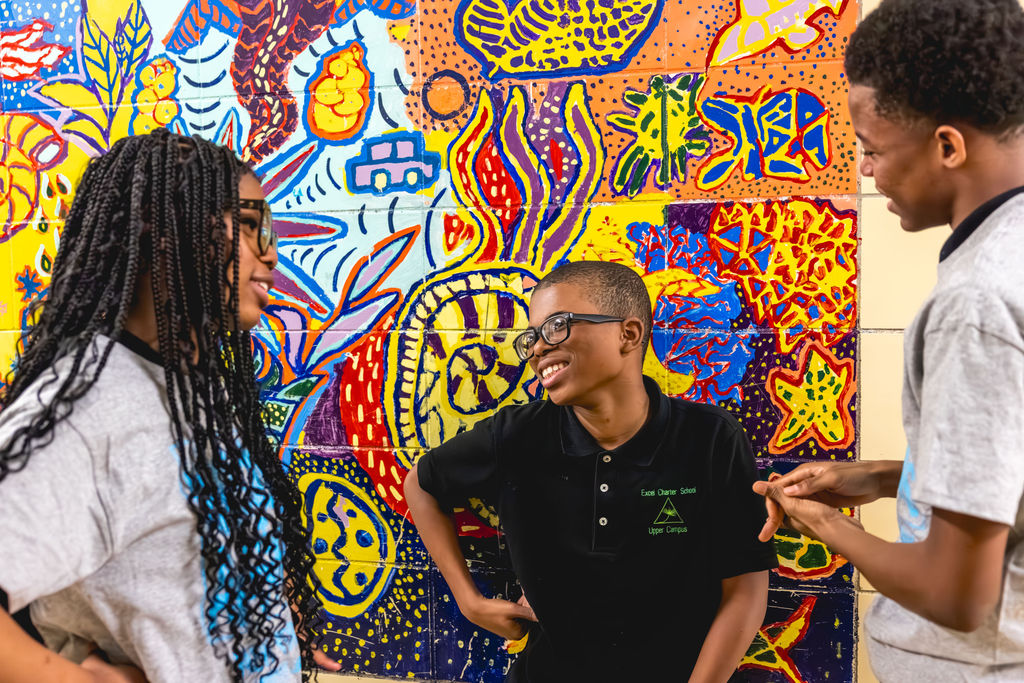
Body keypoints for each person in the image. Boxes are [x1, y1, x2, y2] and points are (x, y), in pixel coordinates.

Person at [0, 130, 339, 682]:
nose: (272, 254)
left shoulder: (183, 389)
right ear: (168, 229)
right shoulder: (92, 410)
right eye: (249, 225)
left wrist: (264, 638)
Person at [753, 1, 1024, 680]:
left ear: (947, 146)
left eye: (873, 149)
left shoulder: (976, 303)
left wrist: (825, 525)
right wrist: (879, 477)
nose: (868, 172)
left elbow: (957, 594)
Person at [404, 261, 776, 682]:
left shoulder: (709, 438)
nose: (538, 348)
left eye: (558, 325)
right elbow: (420, 483)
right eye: (533, 336)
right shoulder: (516, 436)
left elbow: (744, 588)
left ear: (628, 334)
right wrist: (470, 601)